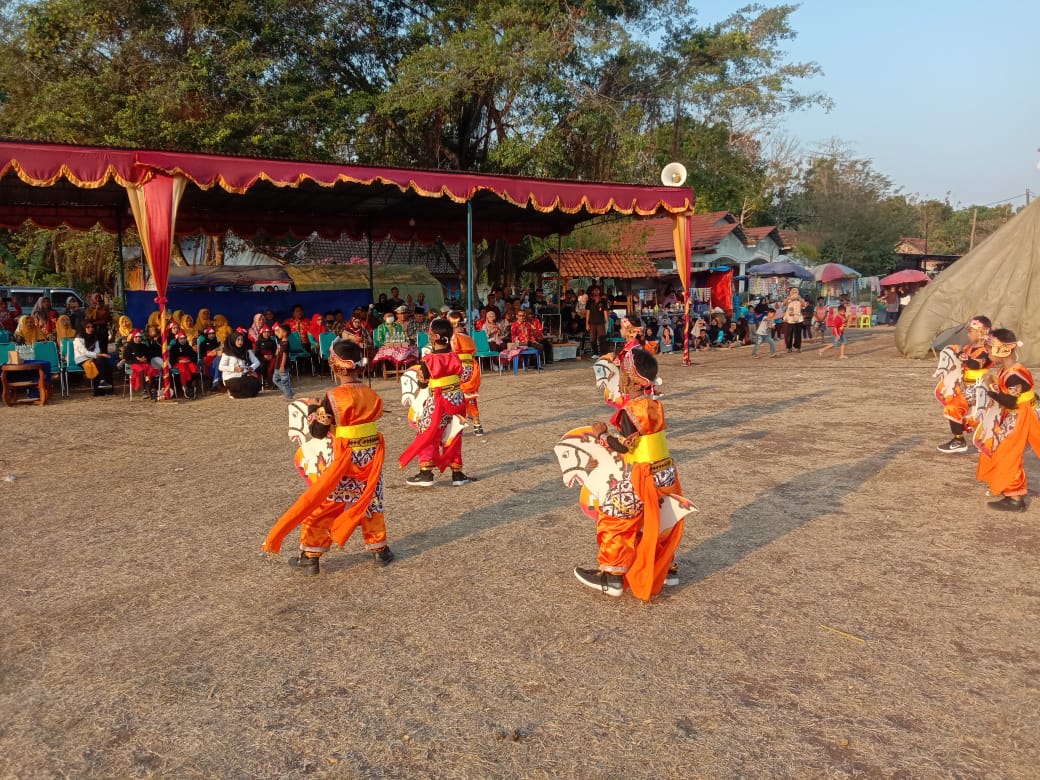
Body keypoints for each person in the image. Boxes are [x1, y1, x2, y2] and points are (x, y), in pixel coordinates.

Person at [262, 339, 394, 574]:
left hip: (343, 459)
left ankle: (310, 556)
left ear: (335, 366)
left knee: (326, 503)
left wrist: (314, 408)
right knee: (370, 501)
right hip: (371, 457)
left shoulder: (333, 398)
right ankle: (380, 550)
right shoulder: (371, 394)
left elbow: (317, 431)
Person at [574, 349, 685, 600]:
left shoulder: (630, 410)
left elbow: (625, 446)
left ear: (633, 380)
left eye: (623, 373)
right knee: (657, 519)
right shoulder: (655, 404)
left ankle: (611, 576)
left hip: (643, 474)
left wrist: (602, 435)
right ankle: (667, 568)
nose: (620, 378)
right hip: (665, 471)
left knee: (614, 513)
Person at [973, 329, 1040, 512]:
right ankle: (1009, 491)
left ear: (1002, 349)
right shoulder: (1008, 370)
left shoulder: (1013, 376)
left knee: (1007, 454)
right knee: (1001, 450)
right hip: (1016, 415)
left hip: (1021, 417)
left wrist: (989, 390)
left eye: (990, 349)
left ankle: (1015, 499)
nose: (987, 353)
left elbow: (1010, 401)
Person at [399, 318, 470, 487]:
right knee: (453, 434)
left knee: (428, 433)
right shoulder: (455, 356)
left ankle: (426, 473)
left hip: (438, 401)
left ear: (435, 336)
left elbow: (423, 383)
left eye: (430, 334)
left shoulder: (428, 360)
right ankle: (457, 473)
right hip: (457, 399)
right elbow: (462, 375)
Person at [935, 316, 992, 454]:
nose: (968, 333)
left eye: (971, 330)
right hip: (966, 386)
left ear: (981, 332)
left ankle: (959, 440)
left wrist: (960, 353)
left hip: (979, 387)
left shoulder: (987, 351)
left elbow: (975, 364)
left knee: (953, 407)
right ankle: (982, 439)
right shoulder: (968, 348)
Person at [448, 311, 484, 436]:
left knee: (453, 395)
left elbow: (451, 353)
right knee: (470, 395)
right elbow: (474, 352)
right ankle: (477, 423)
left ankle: (455, 425)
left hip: (459, 366)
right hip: (471, 367)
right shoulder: (468, 337)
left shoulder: (454, 337)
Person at [73, 321, 114, 395]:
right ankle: (101, 387)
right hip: (82, 359)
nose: (90, 329)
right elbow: (84, 352)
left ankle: (107, 390)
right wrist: (99, 355)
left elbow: (97, 350)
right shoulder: (78, 338)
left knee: (106, 363)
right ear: (83, 328)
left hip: (93, 357)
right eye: (88, 327)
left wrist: (95, 357)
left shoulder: (95, 337)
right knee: (99, 362)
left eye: (92, 327)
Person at [219, 328, 262, 398]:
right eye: (238, 340)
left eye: (242, 340)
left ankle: (241, 393)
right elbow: (221, 367)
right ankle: (232, 392)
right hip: (230, 376)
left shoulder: (246, 350)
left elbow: (257, 362)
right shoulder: (227, 353)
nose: (240, 342)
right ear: (233, 340)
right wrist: (234, 369)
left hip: (243, 374)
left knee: (255, 383)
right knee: (239, 385)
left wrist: (251, 367)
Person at [124, 329, 159, 396]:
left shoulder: (144, 346)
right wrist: (137, 360)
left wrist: (145, 359)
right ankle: (143, 390)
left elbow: (149, 355)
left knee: (151, 370)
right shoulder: (129, 346)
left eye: (139, 337)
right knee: (141, 370)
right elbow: (127, 358)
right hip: (134, 364)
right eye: (136, 337)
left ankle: (152, 388)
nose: (138, 339)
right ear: (133, 337)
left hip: (144, 363)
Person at [170, 330, 201, 398]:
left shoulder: (189, 347)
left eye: (184, 339)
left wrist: (189, 360)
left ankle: (192, 386)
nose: (182, 340)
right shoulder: (174, 348)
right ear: (178, 339)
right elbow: (172, 358)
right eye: (181, 339)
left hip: (188, 362)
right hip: (179, 363)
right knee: (183, 370)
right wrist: (179, 361)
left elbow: (193, 356)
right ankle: (185, 386)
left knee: (194, 368)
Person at [270, 323, 294, 400]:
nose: (277, 333)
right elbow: (280, 352)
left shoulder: (285, 343)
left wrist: (282, 366)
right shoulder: (281, 342)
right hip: (278, 365)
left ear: (285, 333)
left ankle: (288, 396)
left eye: (279, 331)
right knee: (275, 379)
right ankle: (288, 392)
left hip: (282, 365)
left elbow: (285, 355)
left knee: (284, 381)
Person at [585, 287, 608, 357]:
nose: (596, 291)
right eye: (594, 290)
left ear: (599, 291)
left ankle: (603, 353)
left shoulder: (603, 301)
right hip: (592, 323)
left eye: (597, 290)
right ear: (592, 292)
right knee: (593, 339)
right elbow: (587, 313)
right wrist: (587, 323)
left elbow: (605, 311)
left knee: (602, 338)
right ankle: (595, 353)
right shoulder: (589, 301)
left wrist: (607, 322)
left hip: (600, 322)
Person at [782, 288, 804, 353]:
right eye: (793, 292)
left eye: (796, 292)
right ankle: (789, 348)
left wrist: (799, 299)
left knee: (798, 334)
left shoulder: (800, 299)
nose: (794, 293)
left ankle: (798, 347)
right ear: (790, 292)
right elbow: (783, 304)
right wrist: (788, 298)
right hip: (790, 319)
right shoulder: (789, 299)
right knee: (789, 334)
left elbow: (804, 305)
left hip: (799, 319)